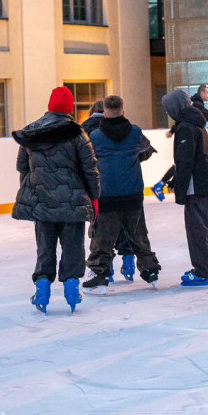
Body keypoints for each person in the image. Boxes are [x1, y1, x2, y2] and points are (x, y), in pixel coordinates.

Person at [12, 87, 100, 314]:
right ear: (69, 108)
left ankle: (42, 287)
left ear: (50, 105)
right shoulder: (77, 133)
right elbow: (90, 169)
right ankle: (72, 288)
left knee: (45, 247)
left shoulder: (31, 132)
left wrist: (34, 188)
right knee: (73, 246)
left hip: (42, 203)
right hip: (73, 202)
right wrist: (95, 198)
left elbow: (22, 167)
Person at [81, 95, 161, 292]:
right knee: (138, 234)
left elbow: (89, 159)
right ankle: (150, 270)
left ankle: (100, 274)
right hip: (132, 193)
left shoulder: (96, 136)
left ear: (104, 113)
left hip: (107, 194)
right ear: (123, 111)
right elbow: (146, 149)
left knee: (102, 238)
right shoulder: (135, 132)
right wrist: (133, 158)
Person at [161, 89, 208, 286]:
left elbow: (185, 161)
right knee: (204, 229)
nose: (169, 113)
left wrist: (178, 187)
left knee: (198, 230)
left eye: (169, 109)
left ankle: (204, 272)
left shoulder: (186, 127)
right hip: (206, 184)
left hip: (197, 187)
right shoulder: (194, 123)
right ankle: (206, 269)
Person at [82, 98, 135, 280]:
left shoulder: (86, 129)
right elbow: (142, 150)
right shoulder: (125, 127)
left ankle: (106, 268)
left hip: (98, 186)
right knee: (123, 225)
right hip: (125, 183)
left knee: (100, 229)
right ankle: (128, 263)